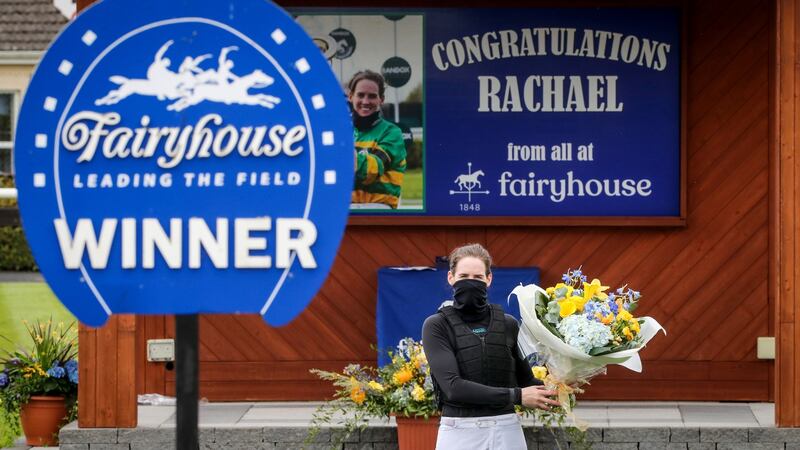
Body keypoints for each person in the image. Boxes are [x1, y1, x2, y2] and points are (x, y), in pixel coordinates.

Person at [422, 243, 560, 450]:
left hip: (507, 430)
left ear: (489, 279)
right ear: (451, 278)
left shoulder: (509, 324)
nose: (470, 282)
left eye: (477, 277)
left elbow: (526, 380)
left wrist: (562, 385)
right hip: (459, 431)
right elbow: (452, 388)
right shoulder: (436, 325)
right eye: (463, 276)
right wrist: (517, 396)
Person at [347, 70, 406, 209]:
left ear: (381, 99)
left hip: (378, 211)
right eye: (360, 95)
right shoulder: (339, 130)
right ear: (351, 96)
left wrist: (336, 155)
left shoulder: (392, 133)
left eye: (372, 96)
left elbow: (371, 170)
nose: (366, 101)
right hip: (343, 210)